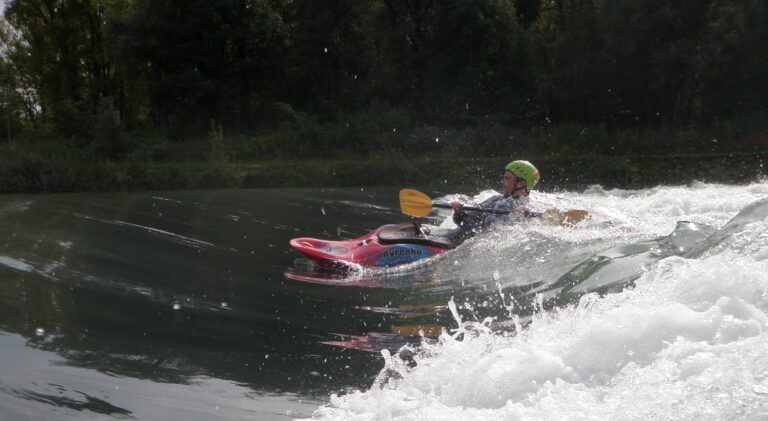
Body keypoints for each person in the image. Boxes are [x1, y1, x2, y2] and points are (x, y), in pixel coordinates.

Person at [448, 160, 541, 242]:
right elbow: (473, 215)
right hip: (458, 235)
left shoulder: (517, 205)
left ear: (521, 183)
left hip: (461, 241)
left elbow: (478, 229)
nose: (503, 181)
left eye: (507, 178)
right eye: (504, 178)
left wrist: (459, 214)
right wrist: (460, 211)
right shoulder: (497, 198)